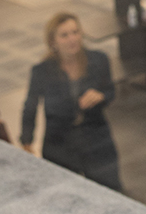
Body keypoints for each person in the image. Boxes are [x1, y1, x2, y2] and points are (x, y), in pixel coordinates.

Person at [19, 12, 123, 192]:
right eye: (64, 35)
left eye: (75, 32)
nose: (72, 39)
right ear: (53, 42)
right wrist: (27, 142)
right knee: (65, 194)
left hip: (96, 137)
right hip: (59, 143)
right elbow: (30, 107)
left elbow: (110, 91)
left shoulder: (99, 60)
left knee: (110, 191)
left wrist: (101, 96)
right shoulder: (41, 71)